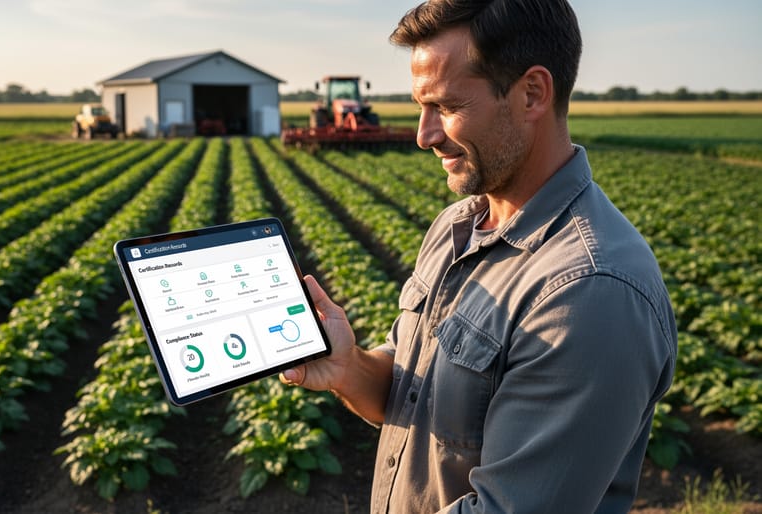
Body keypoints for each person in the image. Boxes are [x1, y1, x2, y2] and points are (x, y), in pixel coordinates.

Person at [279, 0, 678, 512]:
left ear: (532, 94)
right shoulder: (458, 226)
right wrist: (347, 367)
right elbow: (409, 393)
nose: (424, 136)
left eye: (445, 107)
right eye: (420, 107)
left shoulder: (590, 291)